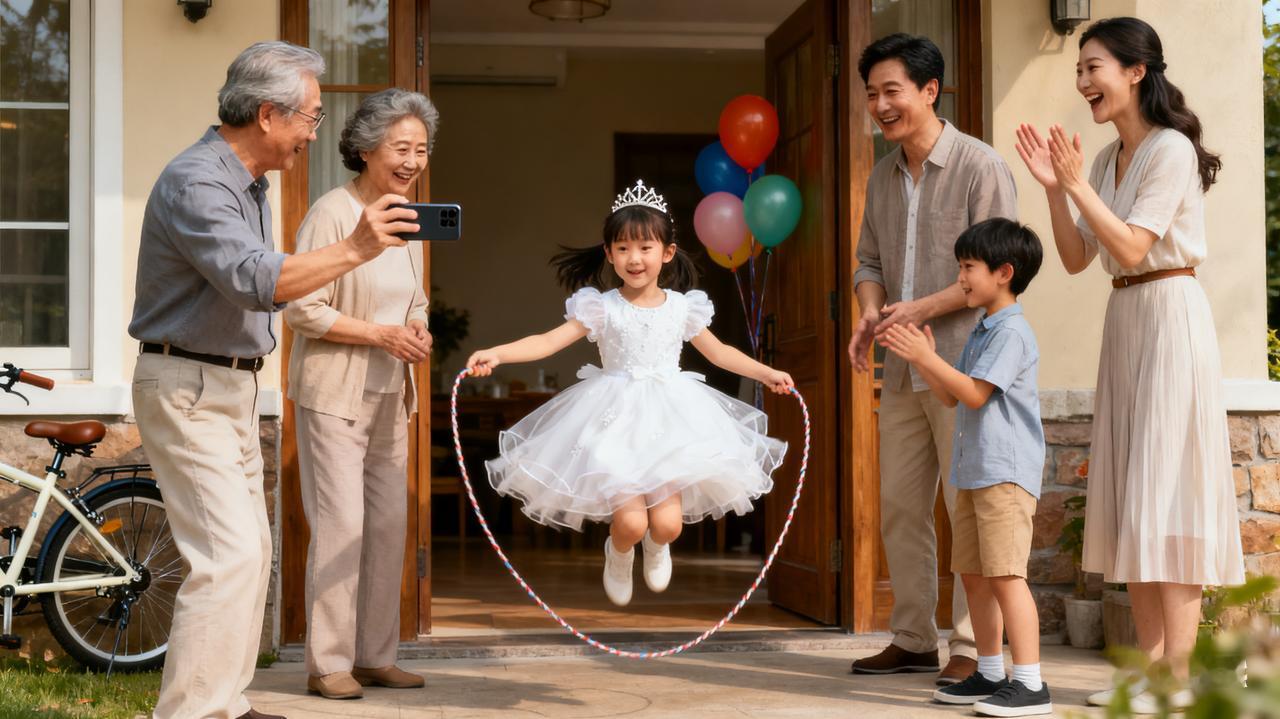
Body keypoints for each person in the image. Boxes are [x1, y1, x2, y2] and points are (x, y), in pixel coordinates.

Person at [129, 41, 418, 719]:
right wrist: (355, 247)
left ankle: (224, 702)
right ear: (267, 114)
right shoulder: (199, 181)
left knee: (250, 552)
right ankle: (191, 713)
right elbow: (259, 281)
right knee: (227, 554)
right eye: (311, 117)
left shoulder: (249, 185)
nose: (315, 133)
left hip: (226, 384)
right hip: (187, 383)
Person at [1013, 16, 1244, 713]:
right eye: (1079, 69)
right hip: (1128, 322)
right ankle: (1152, 672)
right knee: (1142, 506)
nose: (1082, 82)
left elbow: (1138, 247)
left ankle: (1176, 676)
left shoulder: (1170, 149)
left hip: (1170, 316)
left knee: (1169, 500)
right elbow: (1083, 257)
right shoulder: (1112, 157)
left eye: (1094, 68)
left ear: (1136, 70)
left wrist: (1078, 184)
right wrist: (1056, 188)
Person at [465, 179, 792, 606]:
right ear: (609, 253)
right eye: (622, 248)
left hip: (670, 422)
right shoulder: (601, 307)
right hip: (614, 421)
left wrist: (765, 372)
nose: (634, 259)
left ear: (667, 253)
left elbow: (720, 353)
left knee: (668, 525)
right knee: (632, 523)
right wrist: (498, 353)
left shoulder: (682, 307)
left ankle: (658, 546)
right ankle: (618, 552)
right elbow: (547, 341)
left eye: (645, 248)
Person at [847, 32, 1018, 685]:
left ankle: (974, 646)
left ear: (928, 90)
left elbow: (1000, 273)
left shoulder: (981, 167)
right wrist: (871, 308)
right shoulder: (882, 177)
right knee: (901, 503)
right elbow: (869, 261)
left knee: (966, 505)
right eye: (871, 94)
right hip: (902, 367)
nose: (880, 105)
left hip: (963, 365)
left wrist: (917, 308)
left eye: (891, 90)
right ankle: (914, 636)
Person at [283, 88, 438, 700]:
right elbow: (301, 309)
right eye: (401, 148)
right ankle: (328, 663)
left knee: (388, 527)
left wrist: (418, 327)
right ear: (367, 148)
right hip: (333, 394)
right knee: (342, 525)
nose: (411, 160)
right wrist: (380, 334)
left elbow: (416, 299)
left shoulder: (409, 217)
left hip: (389, 396)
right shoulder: (332, 213)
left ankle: (376, 655)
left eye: (421, 150)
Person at [882, 218, 1052, 716]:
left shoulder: (1013, 332)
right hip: (976, 472)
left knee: (1005, 576)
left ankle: (1031, 682)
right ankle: (991, 670)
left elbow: (977, 394)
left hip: (1004, 474)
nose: (961, 277)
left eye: (968, 267)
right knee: (975, 576)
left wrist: (927, 359)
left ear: (1004, 272)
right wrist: (926, 360)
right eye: (960, 266)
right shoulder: (984, 328)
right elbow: (953, 397)